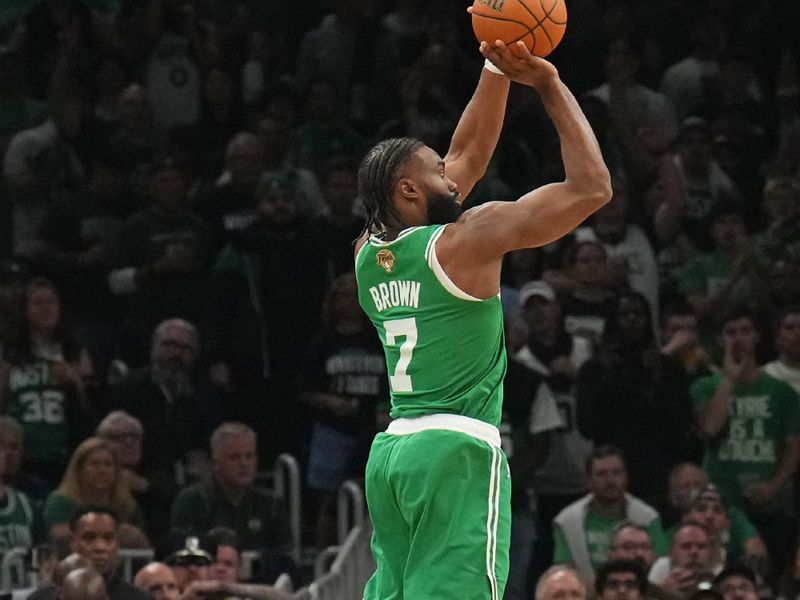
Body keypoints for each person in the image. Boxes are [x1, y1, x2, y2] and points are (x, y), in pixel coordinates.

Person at [354, 32, 611, 599]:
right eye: (435, 171)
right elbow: (592, 188)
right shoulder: (468, 240)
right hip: (456, 450)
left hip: (393, 455)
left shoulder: (368, 254)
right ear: (407, 190)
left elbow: (467, 155)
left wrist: (495, 70)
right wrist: (548, 83)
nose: (453, 174)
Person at [691, 306, 800, 575]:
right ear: (719, 339)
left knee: (769, 576)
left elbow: (793, 448)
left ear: (757, 337)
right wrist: (729, 379)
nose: (738, 338)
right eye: (730, 332)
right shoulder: (705, 386)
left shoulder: (782, 392)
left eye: (745, 331)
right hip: (720, 503)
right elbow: (710, 428)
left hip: (769, 502)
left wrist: (774, 486)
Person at [169, 423, 293, 582]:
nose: (244, 464)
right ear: (215, 463)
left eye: (250, 456)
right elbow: (185, 561)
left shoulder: (272, 504)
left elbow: (284, 562)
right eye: (234, 457)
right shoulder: (190, 502)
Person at [0, 277, 94, 487]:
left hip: (63, 452)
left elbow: (91, 407)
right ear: (25, 310)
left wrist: (74, 381)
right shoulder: (9, 354)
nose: (46, 308)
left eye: (51, 302)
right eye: (38, 303)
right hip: (21, 454)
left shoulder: (75, 351)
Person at [552, 446, 667, 583]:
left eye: (616, 473)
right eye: (601, 474)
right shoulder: (567, 521)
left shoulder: (648, 518)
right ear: (588, 480)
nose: (610, 480)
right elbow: (565, 572)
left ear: (626, 477)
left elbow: (660, 567)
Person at [42, 437, 146, 547]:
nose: (102, 471)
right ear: (79, 469)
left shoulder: (125, 503)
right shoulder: (61, 500)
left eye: (108, 465)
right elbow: (56, 535)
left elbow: (142, 542)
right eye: (94, 464)